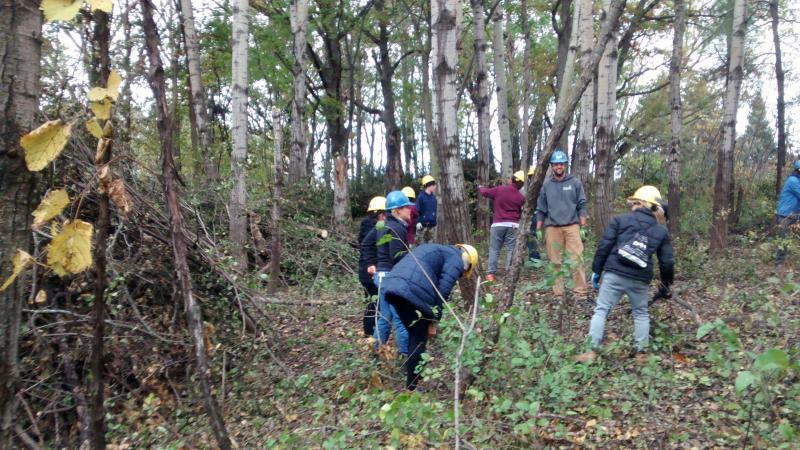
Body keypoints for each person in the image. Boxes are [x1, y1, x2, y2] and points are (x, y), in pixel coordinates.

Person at [577, 186, 675, 362]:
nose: (631, 206)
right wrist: (666, 283)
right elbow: (667, 261)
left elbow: (604, 247)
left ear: (640, 203)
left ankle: (590, 351)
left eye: (634, 202)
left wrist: (596, 271)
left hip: (614, 274)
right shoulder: (661, 231)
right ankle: (641, 354)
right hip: (640, 279)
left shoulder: (620, 220)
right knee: (641, 313)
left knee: (601, 310)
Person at [383, 243, 479, 390]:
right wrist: (434, 319)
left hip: (393, 286)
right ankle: (412, 387)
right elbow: (443, 290)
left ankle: (415, 373)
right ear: (467, 262)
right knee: (419, 340)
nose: (461, 274)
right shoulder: (457, 260)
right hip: (412, 291)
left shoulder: (437, 249)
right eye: (463, 272)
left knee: (413, 335)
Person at [535, 150, 590, 300]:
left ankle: (580, 294)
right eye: (556, 164)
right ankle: (558, 294)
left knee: (576, 260)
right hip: (552, 227)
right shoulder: (546, 185)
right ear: (552, 166)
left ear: (565, 165)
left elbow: (582, 205)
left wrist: (583, 226)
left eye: (561, 163)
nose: (559, 166)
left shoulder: (575, 182)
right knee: (555, 262)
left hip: (572, 226)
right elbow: (541, 208)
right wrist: (539, 229)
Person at [373, 190, 414, 356]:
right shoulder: (397, 228)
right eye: (405, 207)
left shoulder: (384, 225)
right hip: (391, 278)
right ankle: (406, 356)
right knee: (401, 319)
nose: (409, 210)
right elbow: (396, 257)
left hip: (381, 276)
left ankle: (375, 352)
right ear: (397, 211)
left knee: (384, 318)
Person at [479, 171, 526, 282]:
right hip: (513, 225)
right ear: (521, 184)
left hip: (497, 225)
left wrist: (480, 187)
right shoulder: (521, 197)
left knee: (494, 249)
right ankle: (509, 273)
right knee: (511, 249)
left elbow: (485, 192)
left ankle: (490, 274)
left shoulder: (500, 189)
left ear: (512, 180)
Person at [358, 196, 386, 336]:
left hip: (364, 272)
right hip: (371, 272)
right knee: (376, 304)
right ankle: (370, 333)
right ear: (381, 214)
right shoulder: (377, 228)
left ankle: (370, 332)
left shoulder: (365, 226)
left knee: (372, 302)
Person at [776, 161, 800, 265]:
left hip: (795, 214)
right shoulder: (793, 181)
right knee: (783, 240)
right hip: (785, 215)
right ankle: (779, 264)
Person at [526, 166, 542, 262]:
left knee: (532, 235)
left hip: (536, 215)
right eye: (530, 176)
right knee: (532, 235)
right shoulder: (530, 188)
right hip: (532, 215)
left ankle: (534, 256)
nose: (531, 177)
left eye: (532, 175)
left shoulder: (538, 188)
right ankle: (534, 256)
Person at [416, 175, 438, 243]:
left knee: (431, 246)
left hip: (432, 226)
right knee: (421, 245)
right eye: (434, 185)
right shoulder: (421, 197)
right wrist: (418, 222)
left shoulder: (433, 198)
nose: (435, 187)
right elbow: (417, 210)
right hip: (422, 226)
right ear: (429, 185)